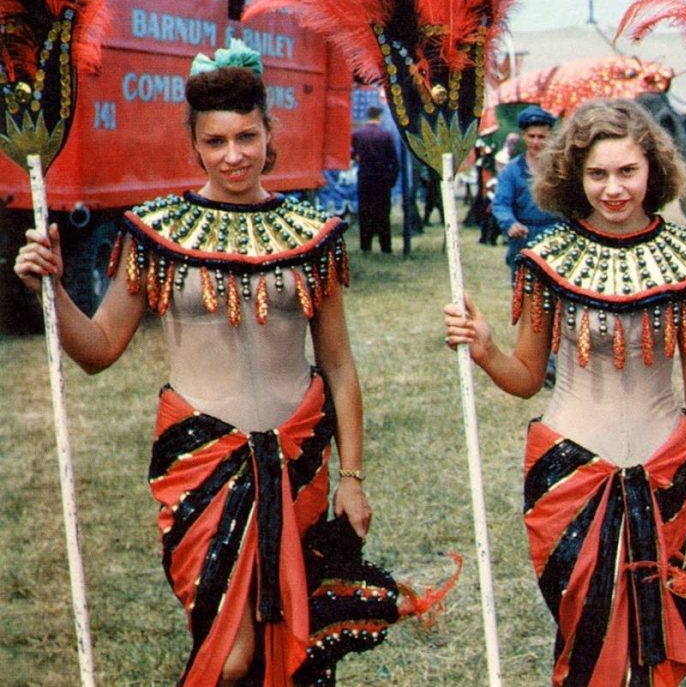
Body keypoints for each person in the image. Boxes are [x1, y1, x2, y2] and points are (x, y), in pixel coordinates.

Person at [14, 42, 383, 686]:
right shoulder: (154, 232)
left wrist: (351, 475)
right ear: (195, 143)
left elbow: (340, 367)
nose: (233, 155)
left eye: (247, 136)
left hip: (296, 460)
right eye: (216, 142)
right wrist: (47, 288)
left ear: (271, 134)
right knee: (230, 650)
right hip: (200, 462)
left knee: (291, 646)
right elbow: (99, 350)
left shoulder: (311, 234)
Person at [444, 99, 686, 685]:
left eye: (627, 172)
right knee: (588, 646)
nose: (613, 188)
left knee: (655, 648)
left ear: (652, 171)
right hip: (571, 478)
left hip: (666, 475)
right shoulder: (546, 260)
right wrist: (484, 349)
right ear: (574, 177)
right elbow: (528, 377)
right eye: (598, 174)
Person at [491, 105, 561, 272]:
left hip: (557, 236)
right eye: (532, 136)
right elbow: (501, 204)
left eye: (542, 137)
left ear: (551, 136)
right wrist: (511, 223)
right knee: (525, 293)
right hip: (524, 237)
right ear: (524, 136)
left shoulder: (561, 168)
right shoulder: (511, 170)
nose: (536, 142)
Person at [352, 105, 401, 253]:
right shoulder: (386, 135)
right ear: (379, 117)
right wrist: (391, 181)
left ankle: (365, 246)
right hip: (382, 180)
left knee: (365, 212)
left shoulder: (358, 134)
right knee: (383, 214)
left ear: (367, 117)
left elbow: (352, 154)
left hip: (365, 179)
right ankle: (385, 247)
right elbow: (394, 161)